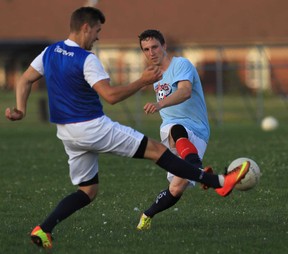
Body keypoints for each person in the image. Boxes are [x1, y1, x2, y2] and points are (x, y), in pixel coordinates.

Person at [5, 7, 249, 249]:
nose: (98, 37)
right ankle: (217, 181)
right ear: (86, 27)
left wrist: (20, 110)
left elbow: (25, 79)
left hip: (67, 134)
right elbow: (110, 96)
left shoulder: (50, 52)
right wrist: (142, 81)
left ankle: (43, 229)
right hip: (93, 128)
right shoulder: (87, 59)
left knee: (88, 190)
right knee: (155, 150)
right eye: (97, 31)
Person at [136, 29, 213, 230]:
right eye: (146, 49)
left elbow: (185, 92)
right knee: (176, 128)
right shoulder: (155, 75)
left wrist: (160, 105)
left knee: (177, 188)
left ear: (164, 46)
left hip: (199, 130)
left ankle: (147, 214)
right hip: (173, 128)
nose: (151, 52)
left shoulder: (181, 64)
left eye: (154, 47)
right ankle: (197, 167)